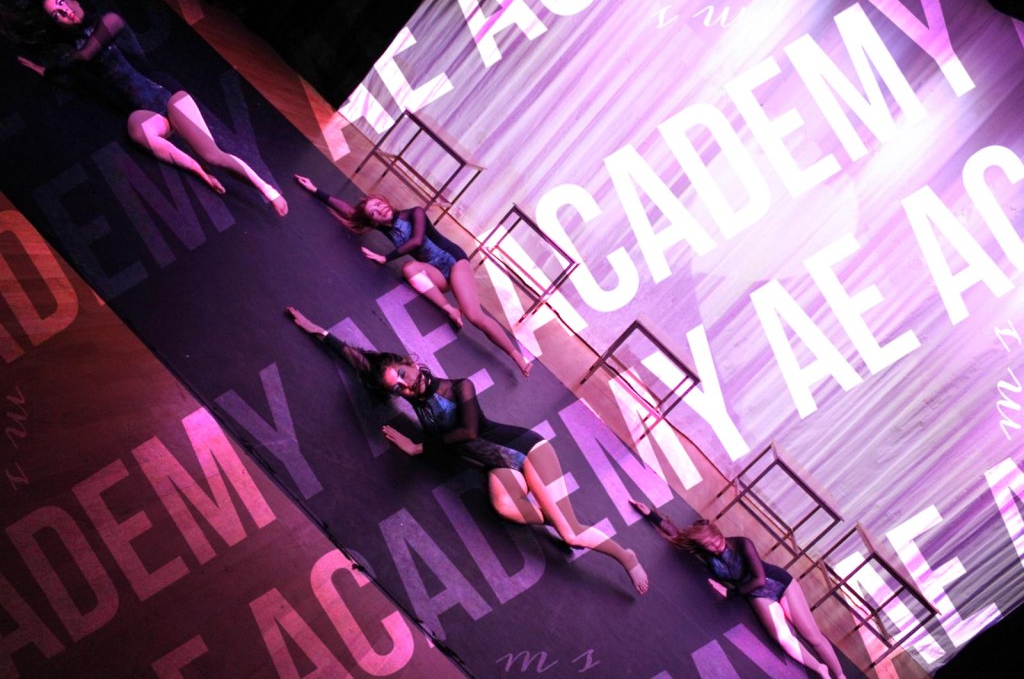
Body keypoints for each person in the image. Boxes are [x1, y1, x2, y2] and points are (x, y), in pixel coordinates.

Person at [286, 305, 647, 594]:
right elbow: (362, 361)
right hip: (497, 465)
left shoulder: (460, 387)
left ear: (411, 362)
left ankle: (625, 555)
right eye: (396, 389)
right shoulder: (406, 389)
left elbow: (468, 432)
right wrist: (318, 331)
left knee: (570, 535)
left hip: (525, 451)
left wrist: (418, 447)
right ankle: (554, 514)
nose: (404, 388)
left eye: (403, 377)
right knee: (505, 507)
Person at [3, 0, 288, 216]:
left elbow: (85, 57)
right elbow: (73, 64)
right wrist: (48, 71)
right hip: (149, 114)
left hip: (169, 99)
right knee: (136, 131)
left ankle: (267, 189)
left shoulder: (109, 21)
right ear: (56, 24)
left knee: (212, 154)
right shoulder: (74, 48)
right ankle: (199, 172)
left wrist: (60, 65)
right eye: (57, 14)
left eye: (63, 3)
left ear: (75, 1)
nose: (65, 12)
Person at [293, 174, 531, 377]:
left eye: (379, 204)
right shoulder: (381, 226)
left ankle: (517, 357)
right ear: (372, 220)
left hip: (453, 261)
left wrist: (385, 258)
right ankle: (449, 309)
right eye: (374, 212)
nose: (379, 210)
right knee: (409, 269)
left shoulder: (414, 213)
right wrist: (315, 189)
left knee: (473, 315)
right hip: (435, 272)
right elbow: (351, 212)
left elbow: (416, 240)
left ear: (386, 202)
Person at [629, 499, 846, 679]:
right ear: (702, 546)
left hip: (778, 583)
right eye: (708, 545)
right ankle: (820, 669)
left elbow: (759, 579)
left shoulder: (742, 543)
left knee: (813, 636)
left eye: (716, 541)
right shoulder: (707, 554)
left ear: (719, 533)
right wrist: (650, 514)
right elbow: (678, 535)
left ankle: (840, 675)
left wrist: (730, 593)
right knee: (783, 638)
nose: (715, 546)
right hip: (755, 595)